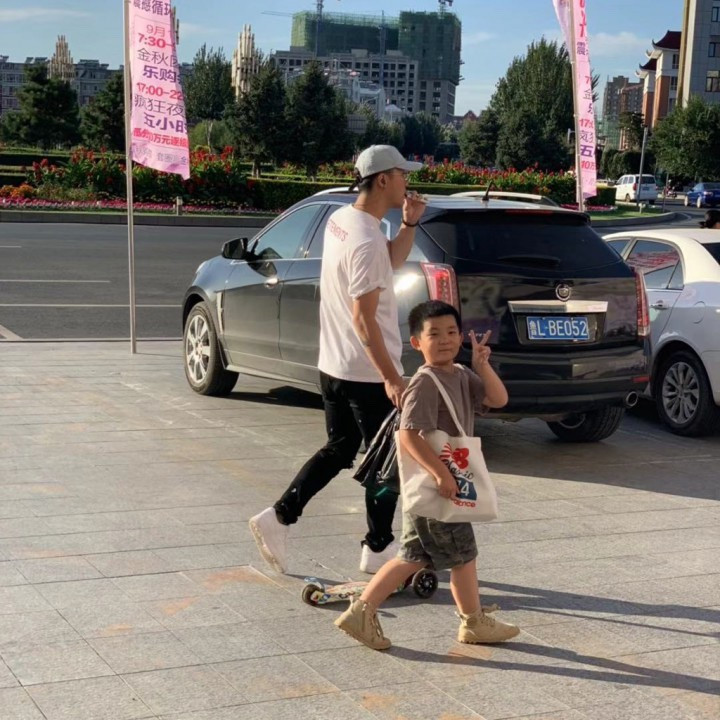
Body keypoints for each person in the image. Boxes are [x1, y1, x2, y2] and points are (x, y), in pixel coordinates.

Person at [249, 145, 427, 575]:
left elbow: (390, 260)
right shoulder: (365, 239)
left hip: (334, 364)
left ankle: (278, 517)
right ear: (382, 180)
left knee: (341, 448)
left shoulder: (344, 221)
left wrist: (408, 223)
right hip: (365, 372)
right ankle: (378, 547)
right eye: (402, 174)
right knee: (385, 462)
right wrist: (391, 377)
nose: (408, 181)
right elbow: (364, 319)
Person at [334, 300, 520, 650]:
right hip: (439, 485)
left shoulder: (461, 374)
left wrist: (482, 365)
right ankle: (472, 622)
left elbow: (498, 398)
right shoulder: (424, 382)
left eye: (451, 332)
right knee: (462, 554)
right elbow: (408, 435)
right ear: (416, 342)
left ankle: (362, 612)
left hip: (437, 486)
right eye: (434, 334)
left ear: (461, 337)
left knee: (414, 556)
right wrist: (440, 475)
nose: (445, 339)